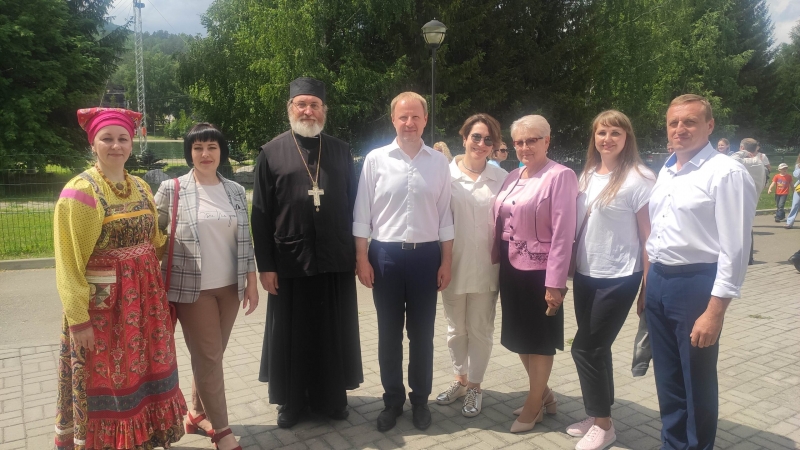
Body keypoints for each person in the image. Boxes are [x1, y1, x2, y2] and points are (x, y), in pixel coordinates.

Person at [54, 108, 187, 450]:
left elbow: (154, 243)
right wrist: (78, 320)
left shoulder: (140, 187)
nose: (116, 146)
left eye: (123, 139)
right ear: (93, 144)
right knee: (110, 380)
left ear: (131, 144)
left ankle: (142, 440)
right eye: (107, 139)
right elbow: (69, 264)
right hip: (104, 312)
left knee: (145, 373)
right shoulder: (81, 193)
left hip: (146, 304)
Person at [646, 94, 756, 450]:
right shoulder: (667, 169)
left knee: (696, 380)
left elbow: (735, 248)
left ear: (709, 126)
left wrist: (715, 311)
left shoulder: (726, 172)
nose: (680, 129)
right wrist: (648, 286)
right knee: (668, 379)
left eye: (690, 121)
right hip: (659, 280)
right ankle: (672, 444)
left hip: (696, 286)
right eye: (673, 122)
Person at [251, 77, 363, 429]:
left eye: (315, 105)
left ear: (324, 110)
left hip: (334, 259)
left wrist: (359, 254)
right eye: (302, 104)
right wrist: (266, 266)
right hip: (290, 260)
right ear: (290, 109)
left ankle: (332, 399)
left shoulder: (341, 151)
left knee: (331, 331)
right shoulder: (271, 152)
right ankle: (292, 402)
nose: (308, 111)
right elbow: (260, 214)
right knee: (293, 334)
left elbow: (357, 206)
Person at [353, 91, 454, 432]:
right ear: (393, 120)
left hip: (426, 257)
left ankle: (420, 401)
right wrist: (362, 258)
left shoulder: (438, 163)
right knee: (388, 334)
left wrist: (446, 261)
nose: (409, 123)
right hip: (386, 257)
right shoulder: (376, 160)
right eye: (403, 117)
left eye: (415, 117)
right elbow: (362, 213)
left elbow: (445, 216)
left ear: (425, 120)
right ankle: (393, 401)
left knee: (422, 335)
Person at [154, 123, 258, 450]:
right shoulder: (172, 189)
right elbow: (151, 236)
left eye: (212, 147)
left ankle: (197, 415)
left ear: (221, 151)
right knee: (210, 358)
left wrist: (251, 281)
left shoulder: (235, 190)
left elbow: (245, 239)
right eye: (198, 147)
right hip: (192, 291)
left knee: (211, 356)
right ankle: (223, 432)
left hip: (230, 288)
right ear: (189, 153)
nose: (205, 154)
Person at [566, 110, 655, 450]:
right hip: (586, 274)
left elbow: (649, 238)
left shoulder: (639, 178)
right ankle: (597, 414)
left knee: (585, 349)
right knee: (597, 350)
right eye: (601, 133)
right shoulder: (588, 174)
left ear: (627, 137)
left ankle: (604, 426)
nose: (607, 139)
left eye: (615, 133)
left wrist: (647, 287)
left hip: (619, 276)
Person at [491, 115, 578, 433]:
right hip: (510, 266)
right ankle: (544, 393)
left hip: (541, 271)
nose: (525, 147)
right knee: (521, 337)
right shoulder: (512, 175)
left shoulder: (561, 176)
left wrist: (555, 282)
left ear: (547, 141)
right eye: (519, 142)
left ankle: (534, 404)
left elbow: (563, 233)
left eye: (532, 140)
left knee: (539, 340)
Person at [435, 114, 508, 418]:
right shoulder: (445, 175)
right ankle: (460, 380)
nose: (481, 143)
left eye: (488, 139)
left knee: (480, 329)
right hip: (452, 265)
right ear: (464, 138)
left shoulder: (502, 178)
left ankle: (475, 386)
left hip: (488, 268)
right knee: (456, 330)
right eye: (476, 136)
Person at [731, 138, 766, 264]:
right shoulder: (758, 162)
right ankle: (748, 258)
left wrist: (744, 152)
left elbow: (732, 159)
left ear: (742, 147)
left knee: (741, 230)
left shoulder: (750, 161)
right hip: (750, 199)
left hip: (742, 200)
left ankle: (745, 258)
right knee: (746, 229)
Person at [785, 154, 800, 229]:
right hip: (799, 187)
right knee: (795, 204)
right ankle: (789, 222)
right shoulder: (798, 165)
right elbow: (796, 175)